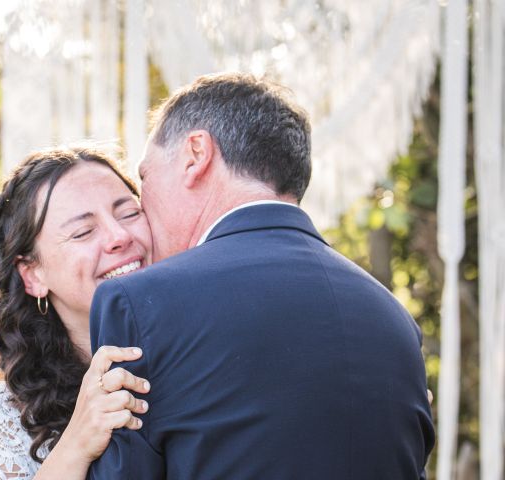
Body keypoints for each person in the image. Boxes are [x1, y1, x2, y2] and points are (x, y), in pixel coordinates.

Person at [88, 73, 436, 479]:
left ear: (195, 154)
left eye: (145, 178)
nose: (142, 205)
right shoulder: (394, 320)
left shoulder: (139, 302)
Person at [0, 147, 154, 479]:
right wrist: (77, 443)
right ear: (33, 274)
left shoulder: (211, 357)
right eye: (83, 232)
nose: (119, 237)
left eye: (129, 213)